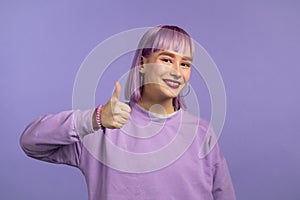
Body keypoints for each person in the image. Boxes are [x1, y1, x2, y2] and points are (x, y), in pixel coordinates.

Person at [20, 25, 236, 200]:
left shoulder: (201, 132)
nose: (177, 72)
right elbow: (31, 142)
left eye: (185, 64)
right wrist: (95, 119)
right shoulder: (102, 129)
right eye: (167, 59)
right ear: (143, 63)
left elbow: (223, 194)